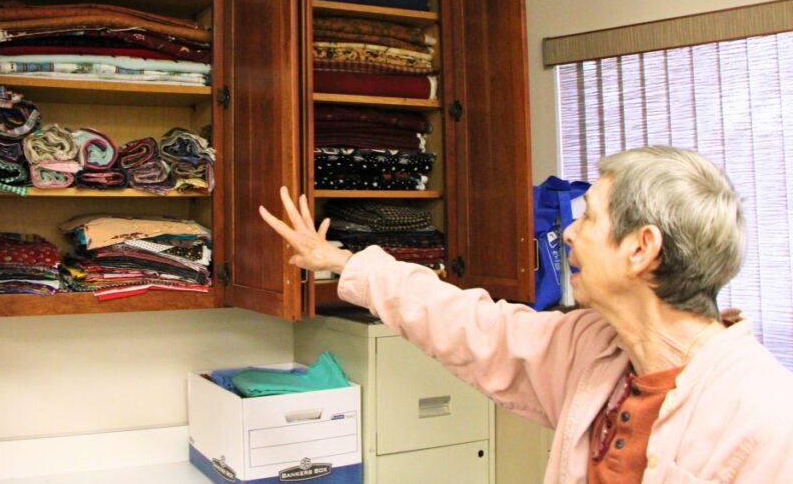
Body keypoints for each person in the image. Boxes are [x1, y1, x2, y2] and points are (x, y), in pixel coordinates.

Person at [259, 146, 793, 483]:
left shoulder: (765, 415)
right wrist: (345, 263)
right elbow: (471, 324)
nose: (567, 232)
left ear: (640, 249)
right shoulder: (595, 347)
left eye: (590, 218)